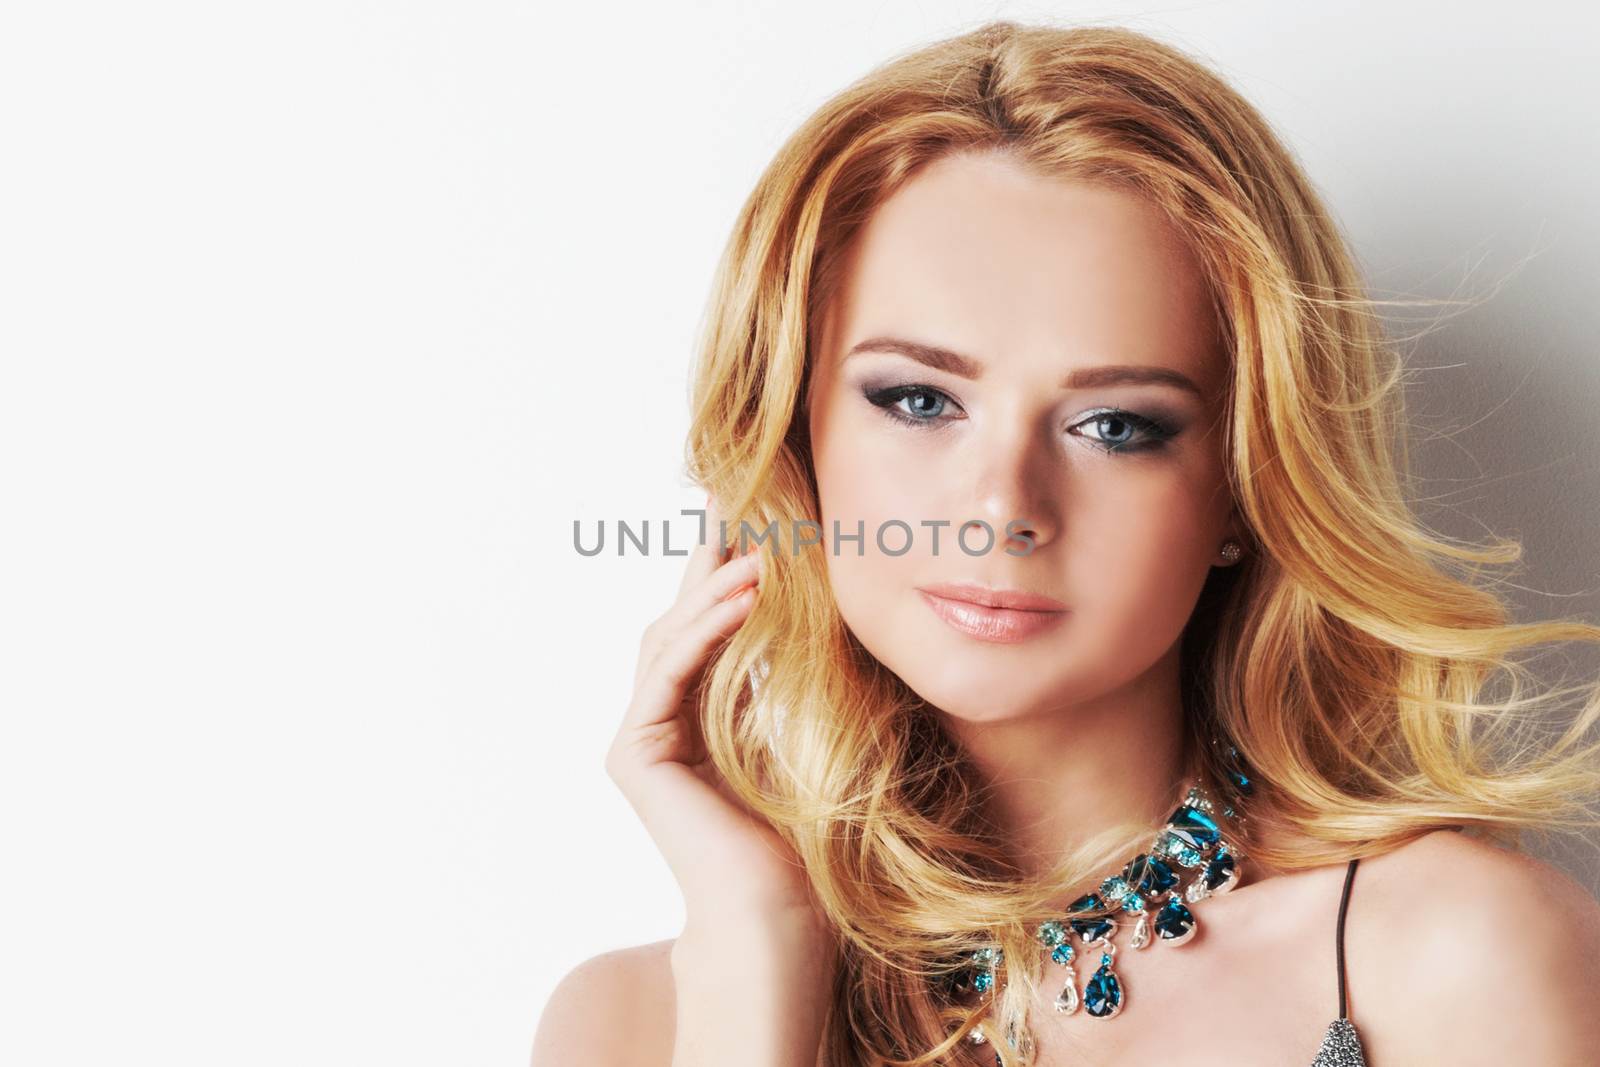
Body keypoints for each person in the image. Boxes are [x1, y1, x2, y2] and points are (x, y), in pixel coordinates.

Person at [532, 19, 1600, 1067]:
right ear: (791, 439)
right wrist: (760, 945)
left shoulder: (1451, 954)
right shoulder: (629, 1023)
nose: (1003, 505)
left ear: (1243, 480)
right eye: (916, 399)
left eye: (1116, 426)